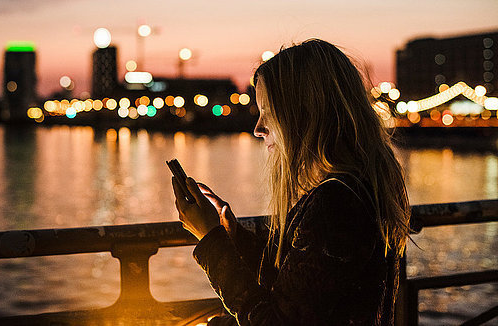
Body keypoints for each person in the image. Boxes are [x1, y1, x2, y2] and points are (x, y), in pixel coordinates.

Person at [172, 39, 411, 325]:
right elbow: (303, 284)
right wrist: (233, 235)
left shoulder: (337, 203)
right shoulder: (360, 186)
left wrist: (211, 239)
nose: (258, 128)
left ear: (305, 114)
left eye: (268, 113)